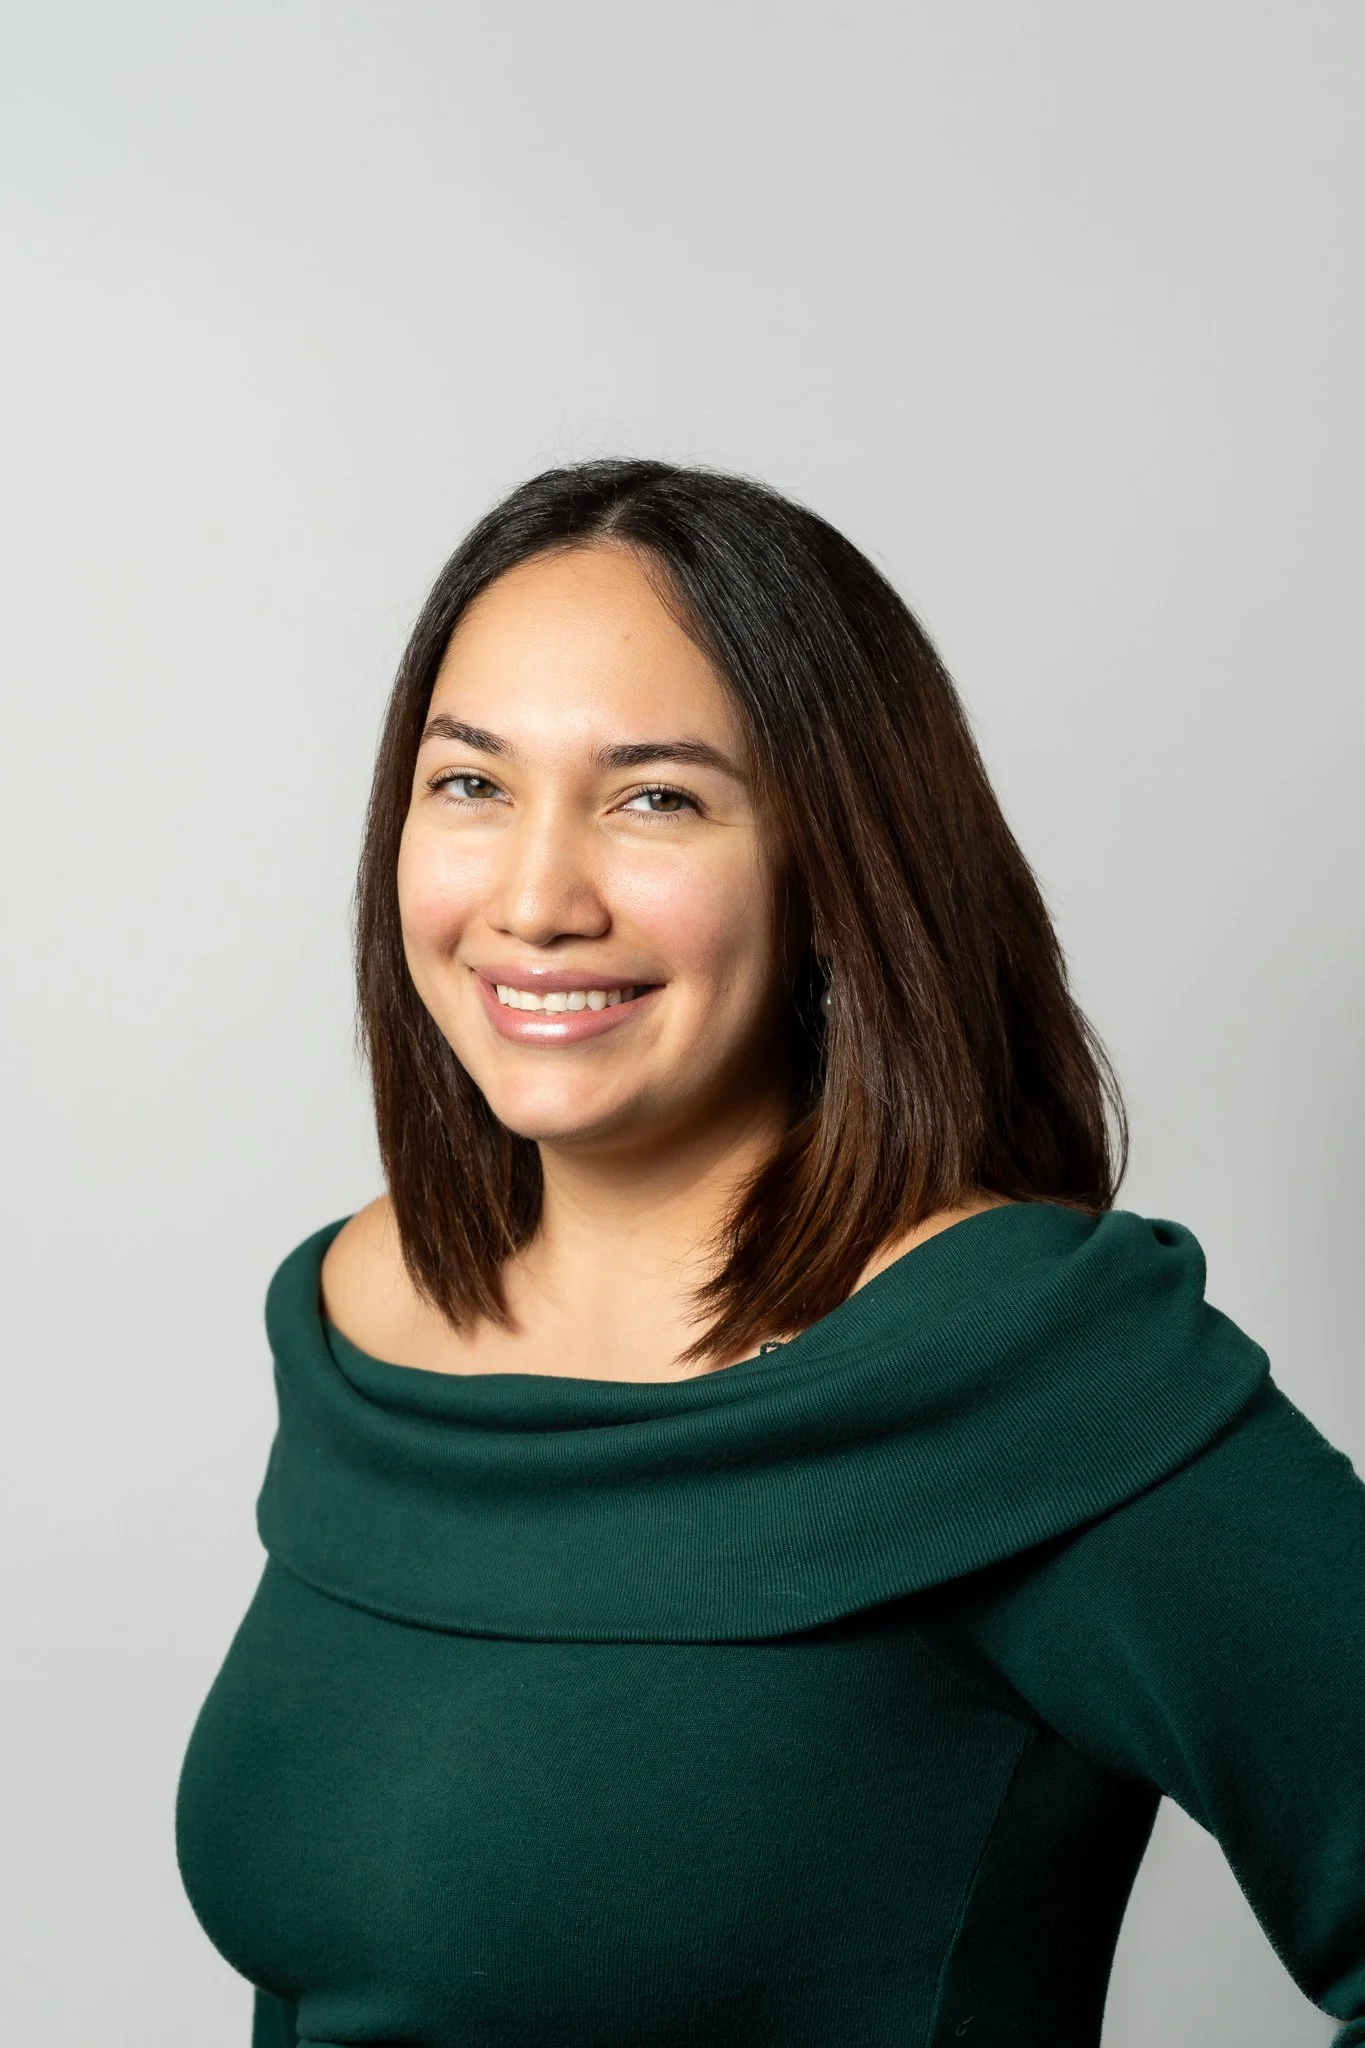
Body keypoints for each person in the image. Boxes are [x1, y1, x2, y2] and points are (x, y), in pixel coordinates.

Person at [175, 459, 1365, 2047]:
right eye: (471, 785)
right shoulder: (357, 1322)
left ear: (831, 872)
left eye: (656, 797)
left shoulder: (1020, 1367)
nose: (535, 898)